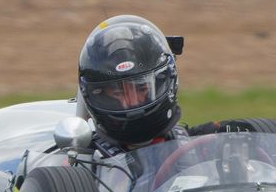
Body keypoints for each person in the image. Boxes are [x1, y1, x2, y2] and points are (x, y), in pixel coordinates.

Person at [76, 14, 251, 155]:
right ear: (96, 95)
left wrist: (236, 139)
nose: (132, 103)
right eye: (117, 94)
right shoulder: (83, 162)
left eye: (141, 88)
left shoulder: (197, 143)